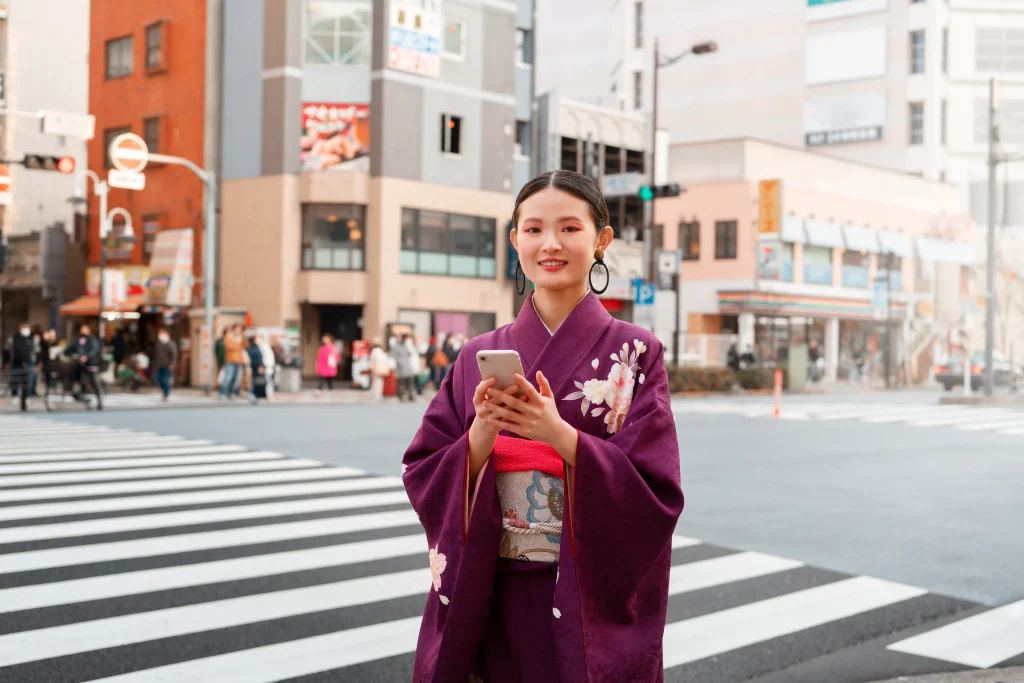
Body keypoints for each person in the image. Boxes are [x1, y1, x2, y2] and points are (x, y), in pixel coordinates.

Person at [402, 170, 684, 682]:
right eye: (532, 230)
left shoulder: (637, 353)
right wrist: (481, 436)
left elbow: (656, 488)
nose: (549, 244)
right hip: (492, 588)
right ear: (515, 241)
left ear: (601, 241)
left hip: (583, 594)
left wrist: (561, 436)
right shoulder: (473, 357)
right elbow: (422, 468)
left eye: (569, 229)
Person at [64, 324, 102, 405]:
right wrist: (64, 353)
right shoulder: (77, 339)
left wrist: (87, 356)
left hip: (91, 363)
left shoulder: (92, 340)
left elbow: (94, 350)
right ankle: (77, 392)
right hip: (80, 363)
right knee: (74, 375)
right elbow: (71, 348)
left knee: (94, 381)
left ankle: (99, 400)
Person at [10, 322, 36, 410]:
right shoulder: (15, 338)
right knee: (15, 380)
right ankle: (15, 396)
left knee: (29, 381)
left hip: (29, 363)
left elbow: (37, 351)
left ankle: (27, 398)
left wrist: (38, 362)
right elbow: (8, 350)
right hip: (17, 363)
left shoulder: (32, 338)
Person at [220, 325, 245, 400]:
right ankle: (223, 393)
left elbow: (244, 346)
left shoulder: (240, 337)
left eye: (240, 329)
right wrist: (238, 345)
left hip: (239, 360)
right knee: (228, 377)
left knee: (236, 379)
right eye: (237, 329)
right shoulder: (228, 336)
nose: (238, 331)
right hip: (230, 360)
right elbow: (230, 346)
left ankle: (233, 393)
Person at [391, 333, 417, 402]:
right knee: (401, 383)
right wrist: (399, 363)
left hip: (408, 367)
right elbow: (394, 357)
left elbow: (409, 354)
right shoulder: (395, 346)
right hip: (401, 368)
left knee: (410, 383)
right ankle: (401, 396)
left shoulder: (406, 345)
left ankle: (411, 396)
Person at [153, 330, 178, 401]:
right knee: (158, 378)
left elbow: (174, 355)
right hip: (159, 365)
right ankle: (164, 392)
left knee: (165, 380)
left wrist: (172, 363)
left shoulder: (171, 344)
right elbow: (156, 355)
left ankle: (166, 393)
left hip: (167, 365)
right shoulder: (159, 344)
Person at [248, 335, 267, 404]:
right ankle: (254, 395)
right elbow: (257, 358)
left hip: (255, 367)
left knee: (256, 382)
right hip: (256, 367)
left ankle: (256, 396)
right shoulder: (253, 348)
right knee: (256, 382)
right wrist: (260, 366)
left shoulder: (255, 347)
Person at [258, 334, 277, 401]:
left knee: (269, 381)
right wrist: (263, 366)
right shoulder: (264, 346)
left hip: (269, 367)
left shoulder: (267, 346)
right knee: (268, 382)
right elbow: (263, 357)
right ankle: (269, 395)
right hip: (266, 367)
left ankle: (270, 394)